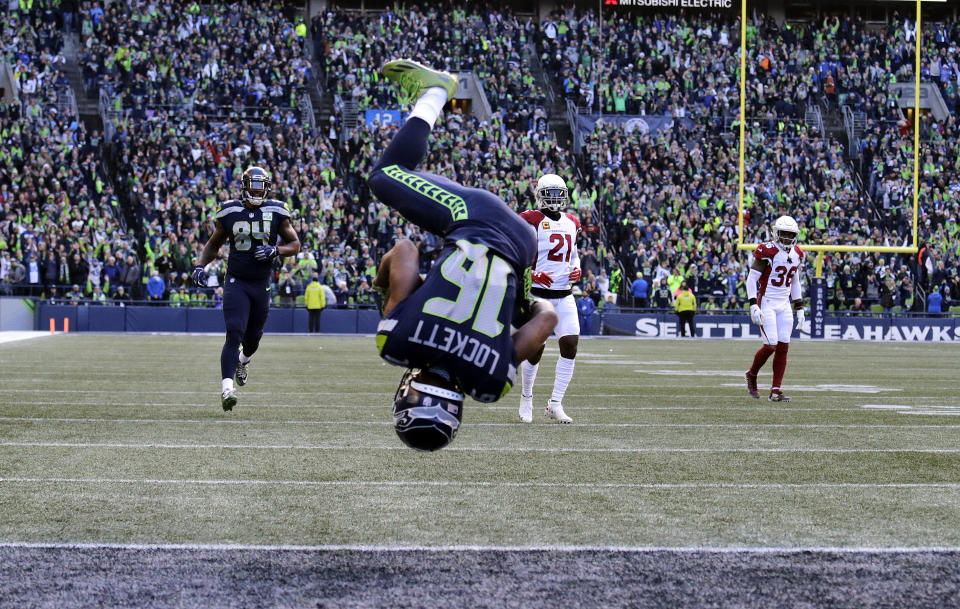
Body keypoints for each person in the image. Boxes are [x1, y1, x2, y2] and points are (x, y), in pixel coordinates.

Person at [368, 59, 557, 452]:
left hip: (524, 245)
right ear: (405, 393)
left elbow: (548, 318)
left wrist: (513, 305)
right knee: (386, 175)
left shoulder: (491, 384)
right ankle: (437, 91)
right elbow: (406, 249)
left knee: (523, 311)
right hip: (474, 216)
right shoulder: (397, 344)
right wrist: (384, 287)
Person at [193, 166, 301, 411]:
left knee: (252, 339)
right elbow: (213, 243)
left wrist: (276, 250)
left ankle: (244, 360)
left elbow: (295, 244)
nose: (256, 191)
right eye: (252, 186)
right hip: (236, 280)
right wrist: (200, 266)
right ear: (244, 187)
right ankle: (227, 389)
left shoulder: (276, 211)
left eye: (259, 187)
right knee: (234, 332)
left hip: (261, 284)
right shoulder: (230, 210)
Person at [516, 173, 582, 424]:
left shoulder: (572, 222)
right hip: (538, 296)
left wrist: (577, 268)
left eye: (559, 193)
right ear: (540, 195)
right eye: (550, 193)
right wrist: (532, 274)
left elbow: (573, 255)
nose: (555, 199)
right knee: (535, 351)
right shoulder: (529, 220)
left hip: (564, 293)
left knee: (571, 344)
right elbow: (517, 254)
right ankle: (527, 397)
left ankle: (555, 403)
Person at [744, 215, 805, 402]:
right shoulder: (767, 250)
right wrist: (753, 303)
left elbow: (795, 281)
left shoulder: (797, 254)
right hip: (767, 301)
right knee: (771, 344)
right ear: (776, 233)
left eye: (790, 235)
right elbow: (752, 278)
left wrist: (800, 307)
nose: (786, 238)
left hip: (784, 303)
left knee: (784, 345)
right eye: (783, 234)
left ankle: (775, 391)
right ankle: (752, 374)